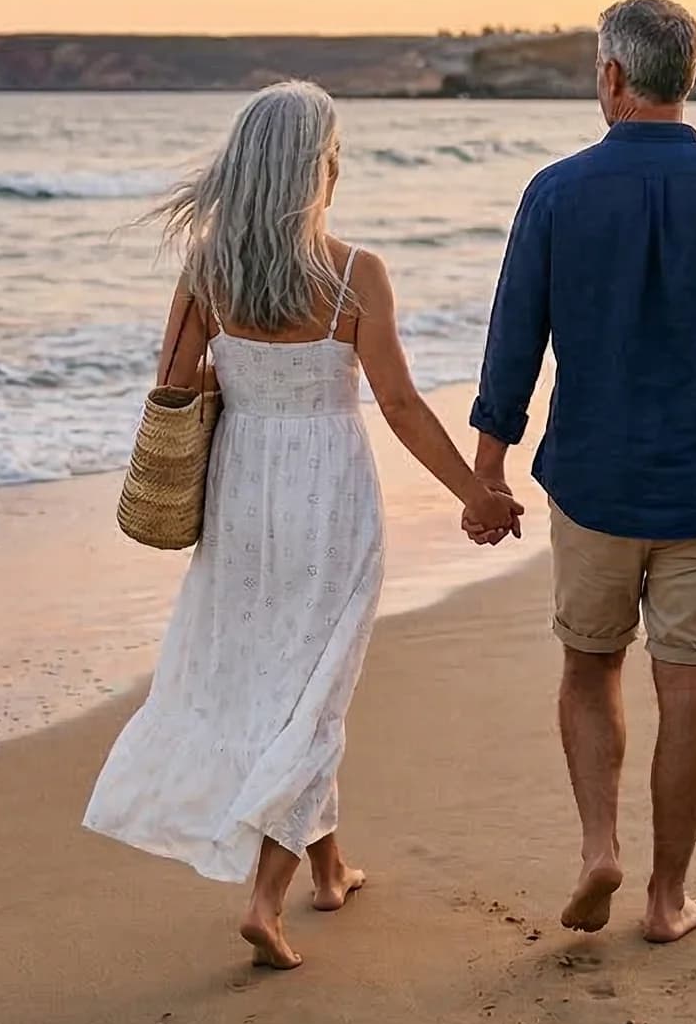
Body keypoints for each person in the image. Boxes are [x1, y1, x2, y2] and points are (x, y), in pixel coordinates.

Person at [85, 80, 522, 971]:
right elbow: (397, 404)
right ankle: (262, 900)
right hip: (328, 492)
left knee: (281, 678)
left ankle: (329, 871)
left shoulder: (207, 267)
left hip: (240, 489)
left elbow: (175, 382)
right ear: (313, 167)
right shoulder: (354, 271)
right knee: (313, 691)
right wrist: (470, 494)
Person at [469, 0, 696, 945]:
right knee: (689, 686)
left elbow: (514, 341)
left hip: (591, 482)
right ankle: (667, 899)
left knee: (589, 667)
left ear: (613, 78)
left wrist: (487, 465)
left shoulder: (555, 191)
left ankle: (597, 849)